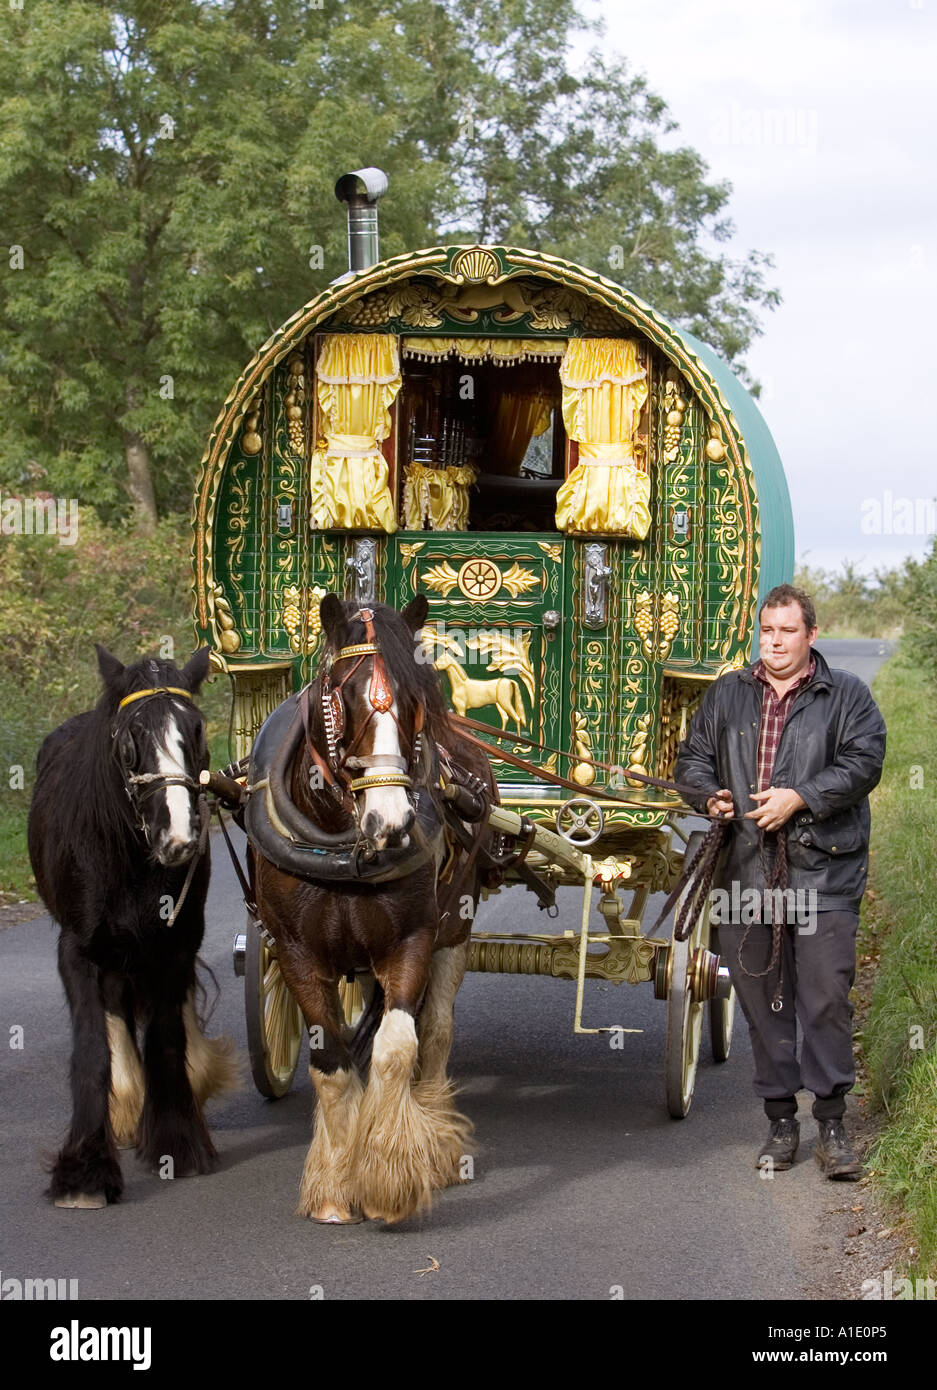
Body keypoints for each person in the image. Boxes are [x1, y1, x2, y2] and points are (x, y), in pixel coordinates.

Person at [674, 583, 886, 1178]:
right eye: (767, 631)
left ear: (810, 635)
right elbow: (691, 760)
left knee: (824, 999)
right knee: (764, 1003)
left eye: (787, 631)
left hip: (823, 873)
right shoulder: (727, 695)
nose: (775, 642)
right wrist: (706, 795)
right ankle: (780, 1121)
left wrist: (801, 797)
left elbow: (864, 762)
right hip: (744, 870)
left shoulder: (846, 696)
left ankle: (834, 1124)